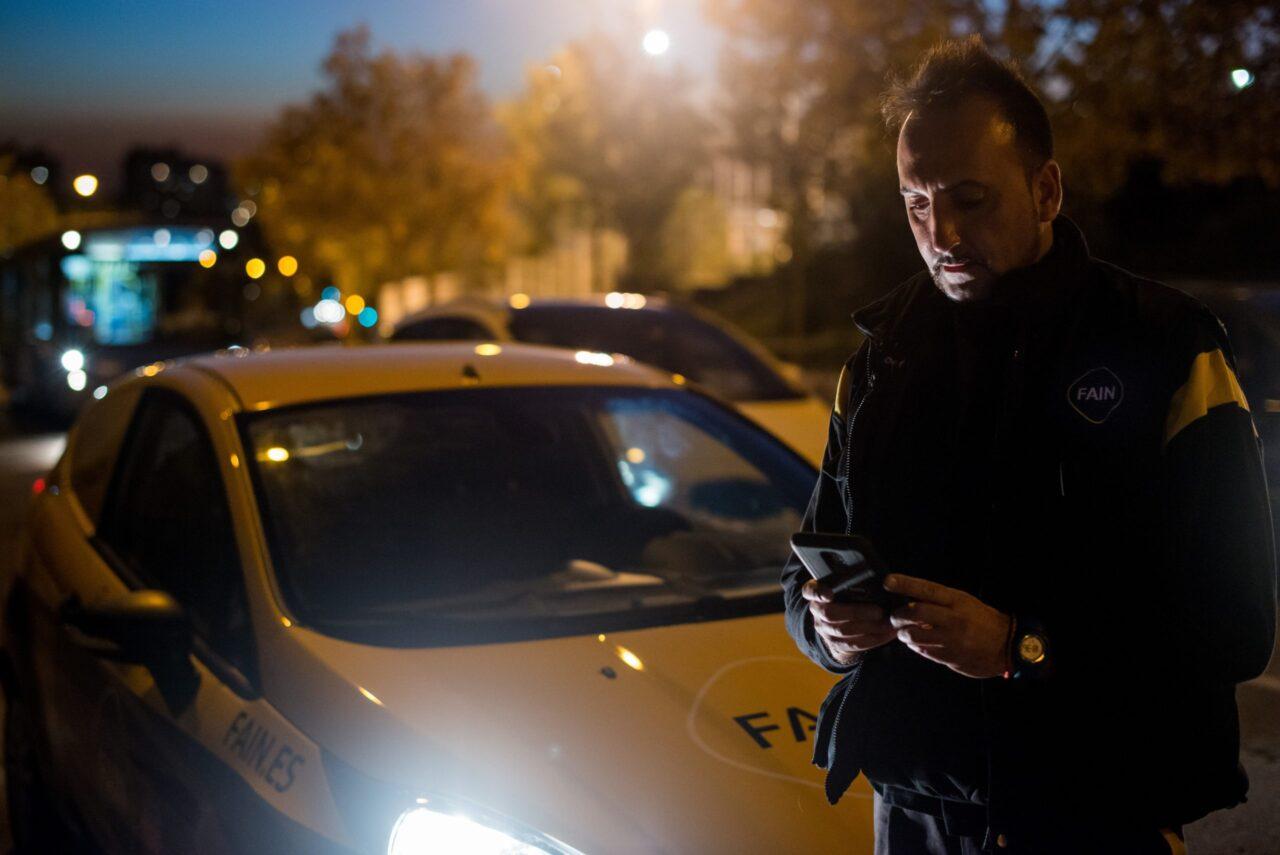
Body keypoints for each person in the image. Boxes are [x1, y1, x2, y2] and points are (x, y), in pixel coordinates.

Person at [781, 36, 1276, 854]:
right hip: (912, 813)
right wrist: (825, 628)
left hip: (1094, 813)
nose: (940, 231)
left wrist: (1024, 645)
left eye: (969, 198)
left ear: (1046, 189)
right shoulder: (879, 362)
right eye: (914, 202)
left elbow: (1236, 624)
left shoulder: (1163, 348)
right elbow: (798, 571)